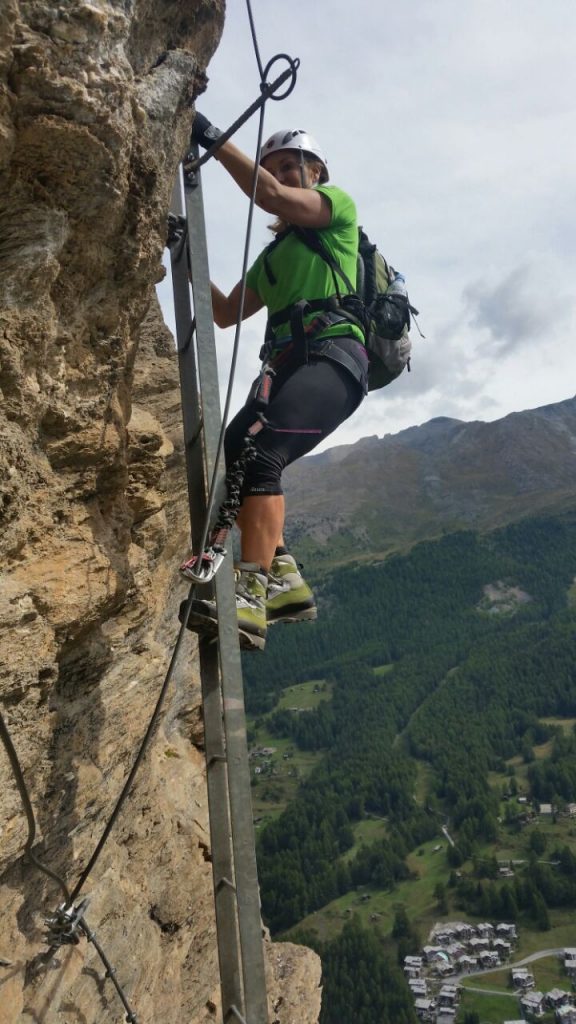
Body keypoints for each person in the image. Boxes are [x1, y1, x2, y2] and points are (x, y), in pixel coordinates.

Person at [180, 118, 368, 650]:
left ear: (316, 172)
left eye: (290, 166)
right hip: (287, 366)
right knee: (234, 452)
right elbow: (223, 313)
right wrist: (181, 251)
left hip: (333, 357)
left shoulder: (336, 212)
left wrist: (212, 138)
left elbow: (270, 197)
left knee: (261, 456)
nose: (280, 174)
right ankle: (285, 581)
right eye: (274, 166)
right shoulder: (272, 259)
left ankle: (248, 596)